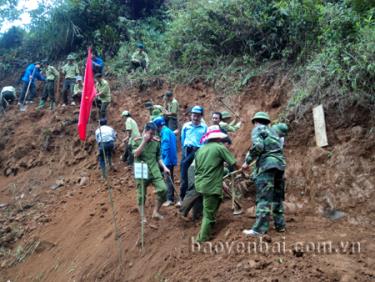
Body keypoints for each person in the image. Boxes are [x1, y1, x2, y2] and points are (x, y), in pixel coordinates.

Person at [242, 112, 286, 237]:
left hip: (267, 166)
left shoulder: (257, 129)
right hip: (280, 165)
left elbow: (258, 146)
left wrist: (247, 162)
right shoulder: (273, 131)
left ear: (255, 122)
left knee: (264, 197)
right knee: (277, 197)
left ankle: (259, 229)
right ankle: (280, 225)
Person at [195, 125, 237, 242]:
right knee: (208, 213)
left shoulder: (200, 150)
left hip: (201, 183)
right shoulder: (220, 148)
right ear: (219, 137)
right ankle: (201, 240)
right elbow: (233, 163)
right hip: (211, 185)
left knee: (216, 200)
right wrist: (244, 170)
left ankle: (210, 227)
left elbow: (197, 168)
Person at [133, 123, 170, 220]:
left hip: (154, 170)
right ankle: (142, 217)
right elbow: (135, 154)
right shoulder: (136, 141)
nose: (152, 136)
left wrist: (165, 167)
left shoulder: (156, 141)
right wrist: (144, 142)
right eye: (150, 134)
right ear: (145, 131)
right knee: (141, 195)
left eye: (153, 134)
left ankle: (155, 212)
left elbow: (158, 157)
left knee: (163, 189)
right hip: (141, 171)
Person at [179, 105, 208, 206]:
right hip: (187, 151)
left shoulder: (204, 127)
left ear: (201, 116)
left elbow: (205, 141)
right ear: (191, 115)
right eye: (194, 115)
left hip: (199, 152)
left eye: (198, 116)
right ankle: (182, 199)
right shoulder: (186, 126)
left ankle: (197, 200)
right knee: (184, 176)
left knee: (197, 175)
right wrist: (185, 150)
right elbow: (182, 139)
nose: (195, 118)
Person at [153, 117, 178, 206]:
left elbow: (166, 146)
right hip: (170, 157)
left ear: (157, 126)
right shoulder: (167, 131)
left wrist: (164, 160)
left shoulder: (165, 132)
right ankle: (163, 193)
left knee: (168, 178)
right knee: (165, 176)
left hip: (167, 159)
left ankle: (170, 199)